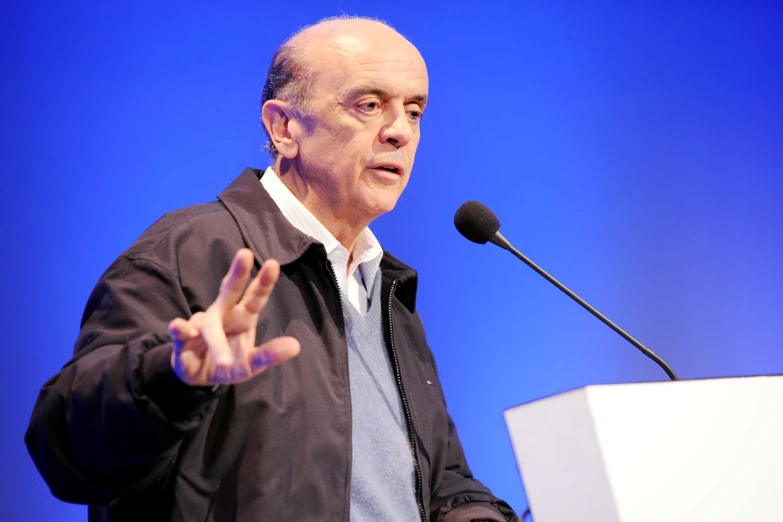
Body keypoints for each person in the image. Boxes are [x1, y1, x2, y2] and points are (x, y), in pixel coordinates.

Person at [26, 16, 518, 522]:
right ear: (284, 128)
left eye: (413, 112)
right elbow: (64, 449)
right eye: (369, 106)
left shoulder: (384, 289)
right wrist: (170, 379)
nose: (399, 132)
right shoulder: (189, 255)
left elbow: (439, 481)